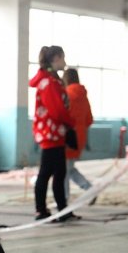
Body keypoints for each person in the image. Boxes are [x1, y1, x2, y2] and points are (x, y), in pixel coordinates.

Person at [29, 46, 78, 221]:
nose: (65, 61)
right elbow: (57, 110)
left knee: (59, 174)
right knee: (47, 174)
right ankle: (42, 210)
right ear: (56, 58)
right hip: (51, 134)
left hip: (55, 134)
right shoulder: (49, 83)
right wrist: (71, 123)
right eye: (63, 58)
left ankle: (62, 210)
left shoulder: (52, 80)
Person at [62, 68, 96, 203]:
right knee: (69, 169)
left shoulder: (66, 94)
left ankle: (63, 202)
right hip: (80, 138)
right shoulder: (83, 96)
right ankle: (90, 189)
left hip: (67, 138)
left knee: (64, 171)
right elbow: (89, 120)